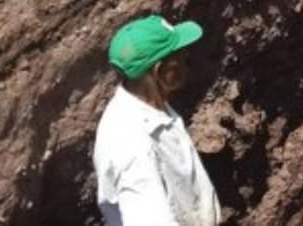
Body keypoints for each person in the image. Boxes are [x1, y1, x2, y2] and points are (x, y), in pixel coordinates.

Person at [93, 14, 220, 226]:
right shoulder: (133, 144)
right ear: (160, 71)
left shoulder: (151, 105)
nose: (187, 61)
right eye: (180, 57)